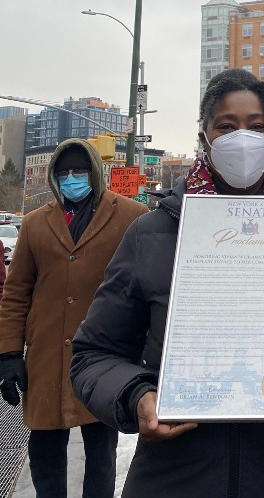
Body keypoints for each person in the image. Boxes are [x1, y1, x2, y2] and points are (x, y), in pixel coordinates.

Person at [70, 69, 264, 497]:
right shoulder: (152, 233)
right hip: (173, 476)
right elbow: (93, 354)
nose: (242, 138)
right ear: (205, 138)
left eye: (256, 127)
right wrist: (137, 397)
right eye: (226, 126)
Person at [0, 138, 148, 497]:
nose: (71, 177)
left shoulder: (132, 217)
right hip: (46, 355)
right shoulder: (36, 223)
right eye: (63, 171)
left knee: (101, 454)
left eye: (79, 170)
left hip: (105, 356)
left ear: (94, 171)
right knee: (44, 451)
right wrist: (7, 355)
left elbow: (146, 288)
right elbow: (16, 292)